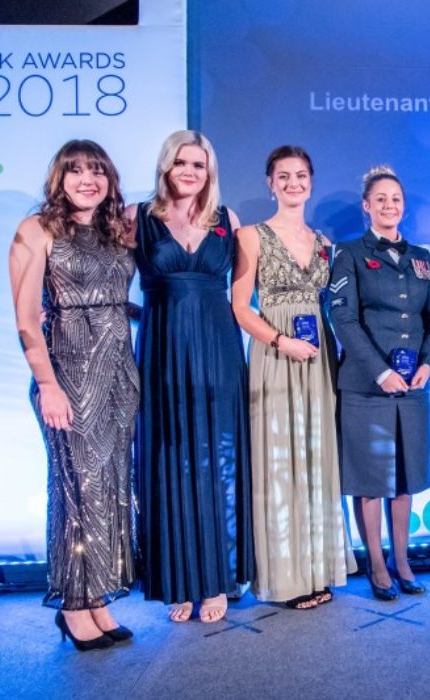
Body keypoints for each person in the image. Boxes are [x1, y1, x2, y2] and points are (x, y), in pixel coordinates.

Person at [9, 140, 137, 650]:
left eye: (97, 171)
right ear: (59, 177)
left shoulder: (116, 232)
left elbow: (113, 300)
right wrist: (47, 384)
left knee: (108, 490)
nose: (88, 179)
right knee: (75, 491)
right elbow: (25, 319)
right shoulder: (35, 229)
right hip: (67, 376)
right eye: (77, 171)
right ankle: (72, 606)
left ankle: (98, 599)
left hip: (119, 377)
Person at [131, 130, 254, 622]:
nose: (189, 171)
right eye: (181, 162)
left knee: (217, 463)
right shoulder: (136, 219)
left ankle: (219, 578)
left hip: (219, 352)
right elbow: (104, 286)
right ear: (166, 166)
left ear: (210, 172)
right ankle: (180, 577)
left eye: (199, 165)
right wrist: (156, 318)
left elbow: (243, 297)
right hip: (161, 351)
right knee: (171, 461)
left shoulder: (228, 221)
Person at [232, 145, 356, 609]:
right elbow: (240, 307)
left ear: (311, 181)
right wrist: (282, 342)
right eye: (283, 176)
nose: (293, 183)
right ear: (270, 182)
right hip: (275, 353)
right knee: (279, 461)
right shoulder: (251, 237)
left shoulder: (324, 242)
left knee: (316, 458)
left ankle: (318, 568)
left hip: (318, 355)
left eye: (301, 175)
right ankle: (285, 577)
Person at [329, 166, 430, 601]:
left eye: (395, 198)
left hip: (413, 386)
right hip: (366, 385)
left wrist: (428, 366)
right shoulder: (349, 254)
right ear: (366, 206)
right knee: (371, 480)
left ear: (403, 205)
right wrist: (381, 370)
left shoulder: (422, 258)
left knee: (406, 477)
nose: (388, 205)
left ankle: (403, 558)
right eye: (380, 199)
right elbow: (343, 317)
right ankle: (376, 564)